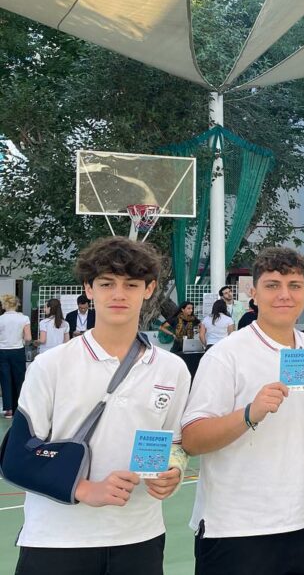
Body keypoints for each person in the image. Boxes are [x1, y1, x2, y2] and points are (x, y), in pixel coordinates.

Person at [13, 237, 190, 574]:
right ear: (89, 289)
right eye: (107, 283)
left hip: (140, 537)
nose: (119, 294)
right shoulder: (51, 365)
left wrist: (174, 471)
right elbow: (17, 458)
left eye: (131, 284)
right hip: (57, 539)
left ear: (149, 289)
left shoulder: (172, 369)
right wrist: (83, 489)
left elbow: (175, 444)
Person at [182, 247, 304, 575]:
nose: (284, 295)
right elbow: (192, 438)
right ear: (254, 292)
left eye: (294, 285)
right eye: (273, 285)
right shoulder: (226, 355)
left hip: (297, 524)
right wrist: (249, 413)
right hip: (235, 528)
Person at [0, 294, 31, 418]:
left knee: (5, 379)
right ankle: (19, 407)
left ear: (5, 305)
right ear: (16, 304)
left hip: (2, 351)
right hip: (18, 351)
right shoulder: (24, 318)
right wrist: (22, 341)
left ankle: (8, 410)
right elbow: (28, 338)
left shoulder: (0, 319)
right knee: (19, 380)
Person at [160, 301, 198, 368]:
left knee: (188, 364)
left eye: (192, 308)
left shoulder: (193, 319)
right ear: (182, 309)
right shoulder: (175, 319)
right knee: (173, 364)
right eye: (188, 308)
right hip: (178, 344)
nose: (191, 310)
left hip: (189, 345)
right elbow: (162, 327)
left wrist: (196, 331)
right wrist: (172, 334)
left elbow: (201, 326)